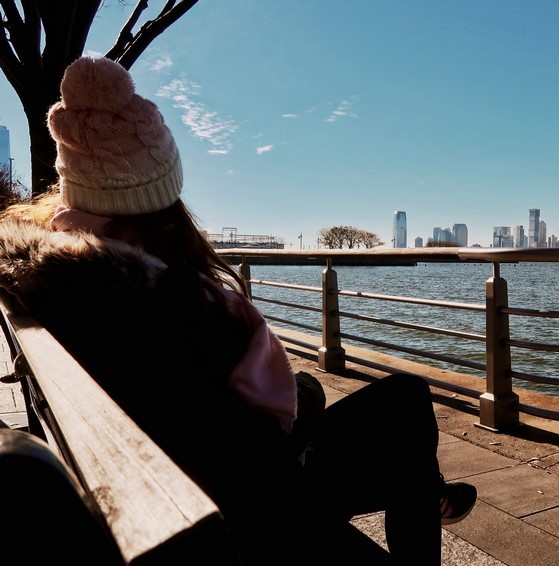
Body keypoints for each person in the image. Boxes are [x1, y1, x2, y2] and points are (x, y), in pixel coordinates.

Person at [0, 56, 476, 564]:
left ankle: (430, 492)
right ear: (161, 197)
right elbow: (262, 440)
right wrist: (303, 396)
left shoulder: (50, 274)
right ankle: (430, 496)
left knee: (370, 416)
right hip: (247, 510)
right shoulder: (181, 300)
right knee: (405, 398)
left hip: (176, 474)